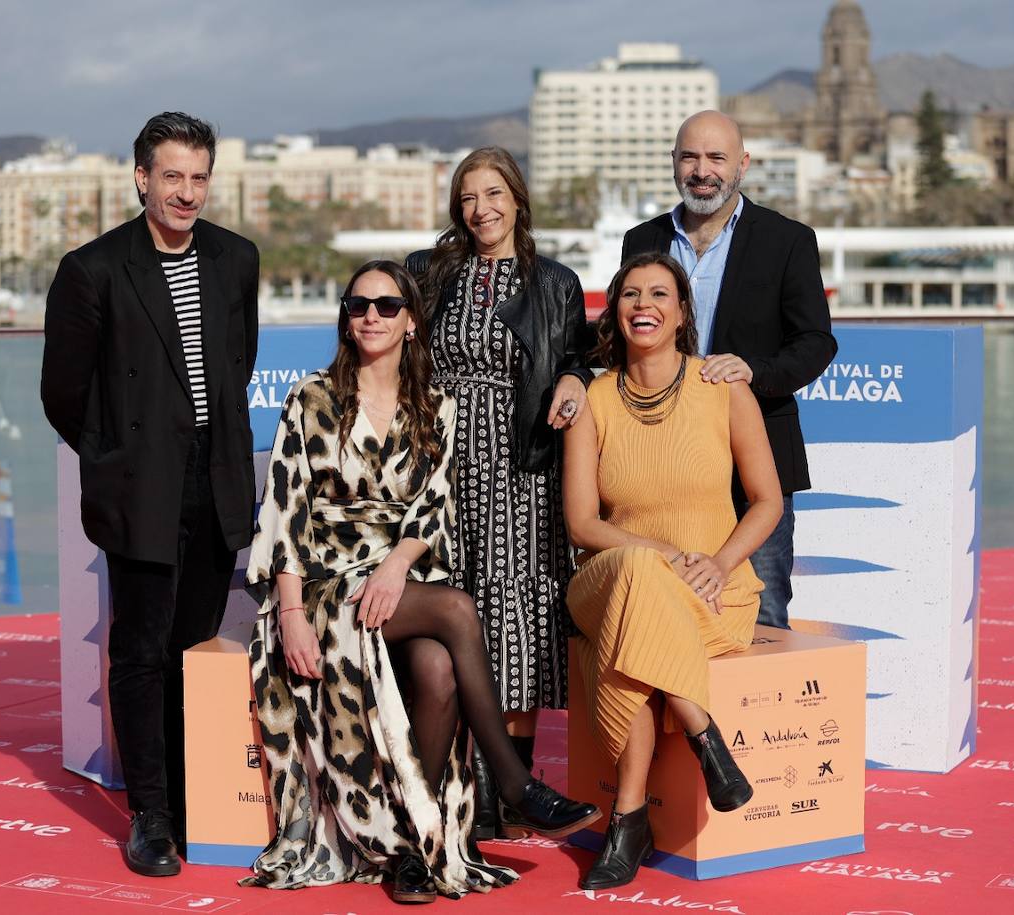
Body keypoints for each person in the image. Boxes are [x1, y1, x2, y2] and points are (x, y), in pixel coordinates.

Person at [242, 261, 600, 903]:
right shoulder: (312, 397)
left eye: (386, 306)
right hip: (322, 589)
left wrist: (395, 564)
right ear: (347, 321)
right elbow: (285, 512)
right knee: (460, 610)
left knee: (437, 669)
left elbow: (434, 507)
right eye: (358, 306)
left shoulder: (436, 404)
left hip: (395, 579)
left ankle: (411, 849)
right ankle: (515, 782)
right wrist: (291, 613)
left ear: (411, 323)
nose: (371, 317)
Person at [41, 112, 259, 877]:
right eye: (172, 176)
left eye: (199, 177)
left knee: (189, 648)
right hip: (141, 481)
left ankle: (193, 796)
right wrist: (116, 463)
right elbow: (63, 394)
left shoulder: (237, 259)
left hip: (217, 475)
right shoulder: (93, 268)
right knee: (139, 652)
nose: (187, 192)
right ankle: (152, 816)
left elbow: (237, 366)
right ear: (142, 178)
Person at [563, 252, 783, 890]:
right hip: (605, 579)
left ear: (683, 311)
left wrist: (718, 562)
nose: (642, 306)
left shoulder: (724, 390)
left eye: (659, 293)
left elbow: (766, 500)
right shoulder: (595, 397)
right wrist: (661, 554)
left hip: (712, 591)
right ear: (616, 311)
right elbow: (582, 525)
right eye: (629, 294)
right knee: (635, 573)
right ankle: (702, 729)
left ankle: (627, 820)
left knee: (634, 638)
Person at [404, 147, 593, 838]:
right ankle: (465, 790)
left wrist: (578, 378)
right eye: (466, 198)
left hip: (522, 472)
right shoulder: (429, 271)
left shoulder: (556, 282)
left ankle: (510, 796)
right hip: (441, 469)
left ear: (517, 198)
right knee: (457, 622)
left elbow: (576, 355)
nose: (479, 209)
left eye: (492, 194)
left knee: (518, 627)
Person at [621, 110, 837, 630]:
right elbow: (625, 334)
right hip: (658, 459)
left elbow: (815, 342)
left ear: (742, 165)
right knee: (660, 613)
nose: (703, 170)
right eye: (690, 157)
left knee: (759, 612)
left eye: (716, 157)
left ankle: (757, 714)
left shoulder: (787, 241)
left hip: (755, 459)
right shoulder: (641, 240)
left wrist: (753, 371)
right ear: (673, 163)